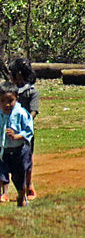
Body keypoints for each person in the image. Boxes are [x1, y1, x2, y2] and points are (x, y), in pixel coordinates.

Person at [0, 81, 34, 207]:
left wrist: (16, 136)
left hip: (19, 151)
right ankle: (3, 193)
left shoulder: (21, 113)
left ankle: (21, 195)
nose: (6, 104)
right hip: (3, 151)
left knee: (19, 179)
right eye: (2, 101)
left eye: (10, 101)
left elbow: (29, 131)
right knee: (1, 174)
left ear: (16, 98)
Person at [9, 58, 39, 200]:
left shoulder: (31, 91)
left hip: (24, 133)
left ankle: (29, 184)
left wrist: (25, 125)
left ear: (19, 74)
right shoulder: (8, 90)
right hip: (8, 131)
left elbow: (34, 111)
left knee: (26, 159)